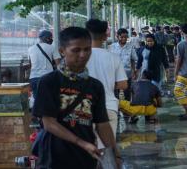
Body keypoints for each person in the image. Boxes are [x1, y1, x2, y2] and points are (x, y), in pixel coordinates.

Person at [33, 27, 121, 168]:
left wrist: (115, 155)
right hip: (54, 157)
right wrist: (81, 143)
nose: (82, 55)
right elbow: (49, 123)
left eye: (87, 50)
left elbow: (102, 124)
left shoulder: (95, 86)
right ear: (62, 51)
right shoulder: (49, 82)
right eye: (76, 50)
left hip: (85, 158)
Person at [85, 19, 128, 141]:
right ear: (105, 36)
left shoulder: (79, 58)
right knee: (106, 151)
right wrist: (107, 84)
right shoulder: (113, 58)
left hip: (83, 109)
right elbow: (123, 84)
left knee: (85, 151)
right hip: (108, 107)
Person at [28, 30, 61, 100]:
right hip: (48, 77)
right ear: (47, 38)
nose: (51, 40)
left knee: (37, 99)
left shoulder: (30, 49)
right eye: (51, 38)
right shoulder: (52, 48)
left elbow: (30, 64)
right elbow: (59, 64)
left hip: (34, 78)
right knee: (48, 99)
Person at [110, 28, 138, 101]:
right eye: (122, 37)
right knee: (115, 93)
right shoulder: (112, 47)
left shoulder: (130, 47)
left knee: (127, 92)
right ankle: (117, 108)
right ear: (117, 36)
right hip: (115, 73)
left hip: (127, 73)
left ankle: (127, 109)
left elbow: (133, 59)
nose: (124, 39)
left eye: (125, 37)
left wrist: (134, 71)